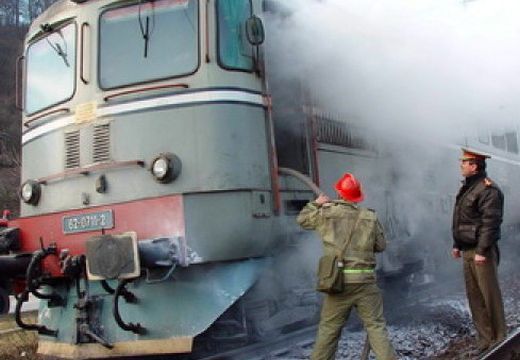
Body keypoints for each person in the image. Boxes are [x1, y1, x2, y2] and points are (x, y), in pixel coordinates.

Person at [297, 173, 397, 360]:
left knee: (329, 329)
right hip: (366, 282)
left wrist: (317, 203)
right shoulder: (370, 217)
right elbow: (381, 246)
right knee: (375, 326)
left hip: (338, 282)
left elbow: (302, 220)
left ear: (340, 194)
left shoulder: (326, 213)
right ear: (357, 197)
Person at [452, 148, 507, 353]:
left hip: (480, 252)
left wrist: (482, 251)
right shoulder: (467, 188)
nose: (461, 165)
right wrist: (457, 244)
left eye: (464, 162)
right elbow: (463, 221)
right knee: (475, 298)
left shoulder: (488, 190)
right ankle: (485, 341)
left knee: (489, 296)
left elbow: (490, 223)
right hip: (468, 250)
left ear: (474, 165)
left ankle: (499, 339)